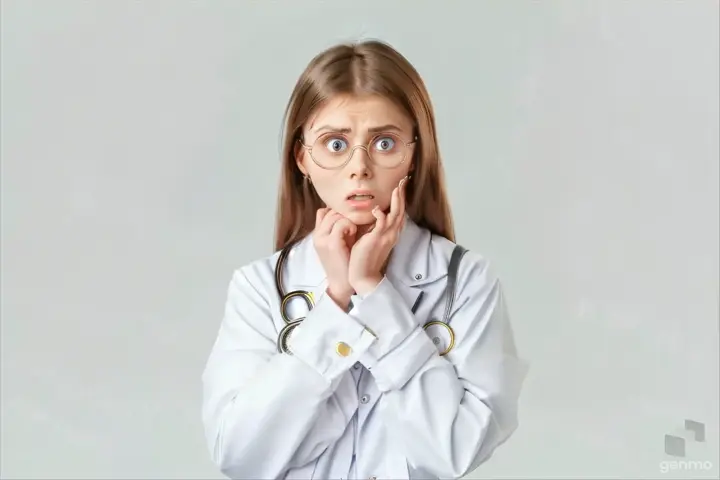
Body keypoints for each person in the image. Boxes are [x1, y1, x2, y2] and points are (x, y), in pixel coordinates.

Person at [201, 39, 529, 480]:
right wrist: (335, 301)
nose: (359, 167)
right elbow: (241, 456)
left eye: (385, 143)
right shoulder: (259, 287)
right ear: (302, 157)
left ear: (414, 153)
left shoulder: (466, 281)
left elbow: (455, 451)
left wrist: (374, 292)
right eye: (335, 144)